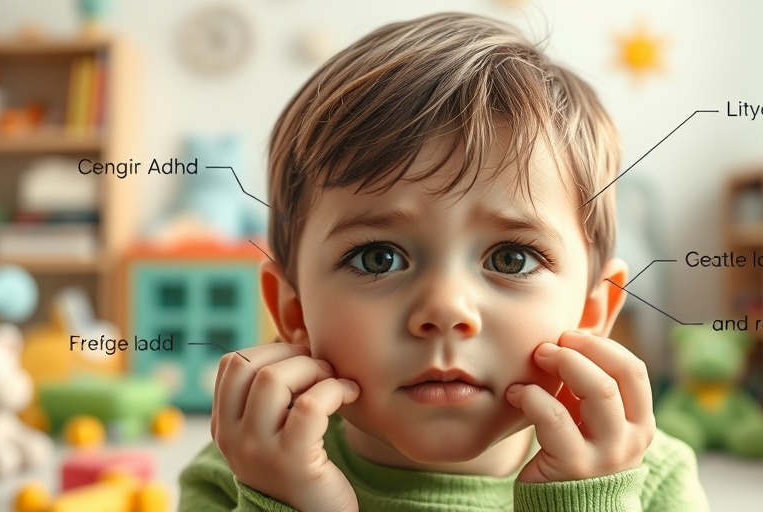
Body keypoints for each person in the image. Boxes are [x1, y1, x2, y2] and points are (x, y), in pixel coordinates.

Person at [179, 11, 708, 512]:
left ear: (594, 312)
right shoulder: (246, 476)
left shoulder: (647, 480)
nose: (446, 309)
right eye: (379, 258)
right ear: (292, 312)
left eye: (512, 257)